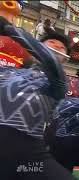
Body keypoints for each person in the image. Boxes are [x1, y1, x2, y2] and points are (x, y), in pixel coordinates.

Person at [0, 1, 75, 179]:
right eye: (52, 43)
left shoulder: (58, 80)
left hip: (28, 160)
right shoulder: (10, 71)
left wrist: (9, 29)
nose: (56, 47)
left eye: (61, 47)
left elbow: (50, 61)